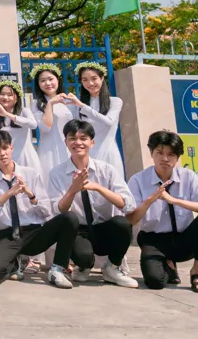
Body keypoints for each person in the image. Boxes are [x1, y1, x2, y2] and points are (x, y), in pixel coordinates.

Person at [47, 119, 138, 287]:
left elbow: (128, 205)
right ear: (65, 142)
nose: (78, 143)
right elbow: (58, 210)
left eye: (83, 138)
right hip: (78, 231)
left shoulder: (107, 170)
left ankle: (112, 268)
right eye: (72, 138)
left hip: (103, 228)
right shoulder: (56, 173)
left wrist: (98, 187)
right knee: (83, 256)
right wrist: (73, 190)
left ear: (92, 142)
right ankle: (82, 266)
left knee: (123, 224)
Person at [127, 130, 198, 293]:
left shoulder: (188, 177)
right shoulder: (138, 180)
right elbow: (131, 220)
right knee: (155, 282)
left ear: (178, 157)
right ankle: (168, 266)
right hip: (154, 239)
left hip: (183, 239)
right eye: (160, 153)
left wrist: (174, 200)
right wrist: (150, 199)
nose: (165, 159)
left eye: (171, 154)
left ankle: (196, 274)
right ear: (151, 153)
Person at [0, 128, 77, 289]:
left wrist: (30, 194)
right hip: (8, 234)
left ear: (11, 148)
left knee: (69, 218)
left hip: (34, 233)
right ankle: (16, 263)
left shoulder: (31, 174)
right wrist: (8, 194)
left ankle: (57, 269)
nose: (2, 153)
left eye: (5, 148)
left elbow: (46, 211)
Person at [71, 62, 124, 174]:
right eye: (85, 80)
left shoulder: (115, 102)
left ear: (102, 78)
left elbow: (108, 122)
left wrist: (82, 107)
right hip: (87, 154)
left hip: (108, 152)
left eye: (94, 78)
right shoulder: (78, 106)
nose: (90, 83)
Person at [30, 64, 77, 177]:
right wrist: (50, 103)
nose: (47, 83)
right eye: (42, 81)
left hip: (68, 148)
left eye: (51, 79)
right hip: (48, 150)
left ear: (58, 80)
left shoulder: (70, 101)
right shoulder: (36, 104)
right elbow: (46, 127)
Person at [0, 80, 42, 175]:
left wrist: (7, 114)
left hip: (25, 156)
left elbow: (33, 124)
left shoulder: (24, 111)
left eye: (9, 95)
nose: (5, 97)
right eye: (2, 94)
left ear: (17, 98)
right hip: (5, 157)